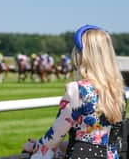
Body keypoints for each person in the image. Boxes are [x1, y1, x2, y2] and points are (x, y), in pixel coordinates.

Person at [22, 25, 125, 159]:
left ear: (82, 55)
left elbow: (54, 136)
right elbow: (101, 138)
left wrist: (34, 146)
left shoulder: (77, 89)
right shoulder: (118, 90)